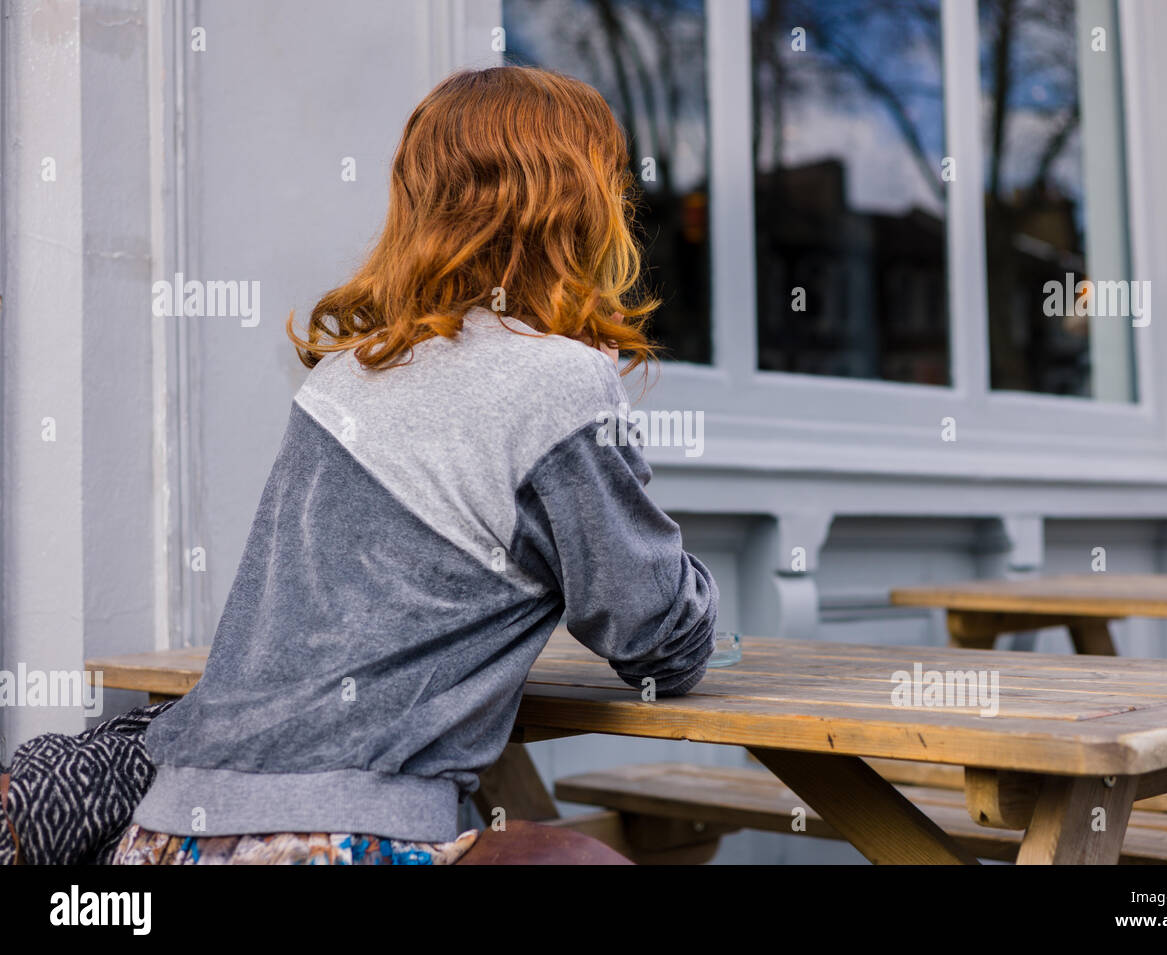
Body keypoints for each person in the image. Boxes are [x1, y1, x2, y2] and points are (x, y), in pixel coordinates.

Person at [112, 66, 719, 866]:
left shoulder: (346, 373)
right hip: (336, 841)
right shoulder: (559, 380)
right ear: (580, 207)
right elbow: (660, 642)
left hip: (164, 834)